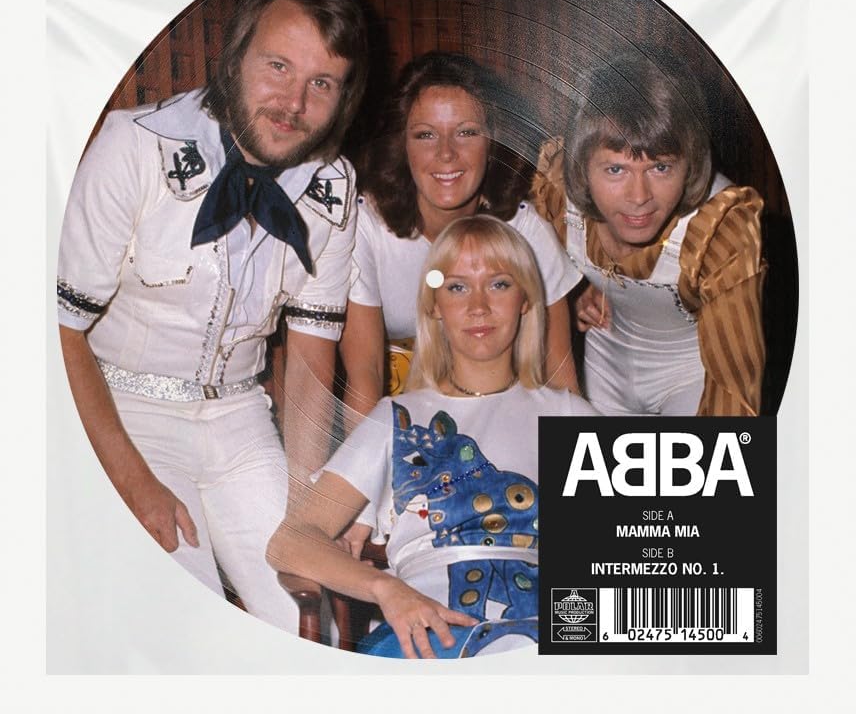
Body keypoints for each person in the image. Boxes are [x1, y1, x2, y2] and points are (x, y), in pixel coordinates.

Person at [56, 0, 369, 631]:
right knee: (183, 620)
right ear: (235, 57)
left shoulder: (335, 188)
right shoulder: (134, 145)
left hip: (240, 420)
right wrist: (131, 482)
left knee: (311, 617)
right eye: (278, 66)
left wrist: (305, 509)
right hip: (125, 413)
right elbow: (55, 328)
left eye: (322, 83)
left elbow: (310, 358)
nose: (293, 102)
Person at [267, 215, 598, 658]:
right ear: (435, 306)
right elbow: (291, 540)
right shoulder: (398, 420)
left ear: (525, 300)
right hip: (423, 636)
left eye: (499, 284)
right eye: (457, 287)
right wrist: (385, 589)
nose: (478, 306)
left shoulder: (568, 414)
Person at [341, 51, 581, 429]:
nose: (446, 153)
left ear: (493, 141)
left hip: (499, 408)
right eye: (425, 135)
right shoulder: (365, 228)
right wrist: (370, 462)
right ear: (401, 144)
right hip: (397, 413)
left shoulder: (525, 228)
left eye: (466, 132)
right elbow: (364, 379)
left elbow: (559, 379)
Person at [563, 53, 765, 416]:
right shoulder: (553, 189)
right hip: (603, 369)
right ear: (581, 165)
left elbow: (735, 390)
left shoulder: (720, 227)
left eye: (660, 167)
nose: (639, 197)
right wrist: (575, 289)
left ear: (691, 163)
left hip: (693, 377)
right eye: (615, 169)